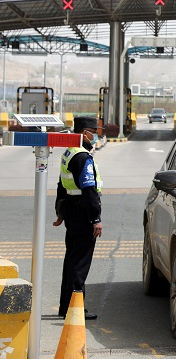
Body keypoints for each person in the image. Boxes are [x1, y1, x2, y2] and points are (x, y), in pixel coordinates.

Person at [53, 116, 103, 319]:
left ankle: (66, 307)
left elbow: (61, 186)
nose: (96, 136)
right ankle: (75, 310)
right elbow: (89, 190)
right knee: (80, 263)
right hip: (83, 213)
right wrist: (96, 219)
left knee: (71, 259)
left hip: (72, 212)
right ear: (84, 133)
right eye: (94, 132)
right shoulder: (82, 157)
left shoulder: (69, 152)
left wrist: (60, 212)